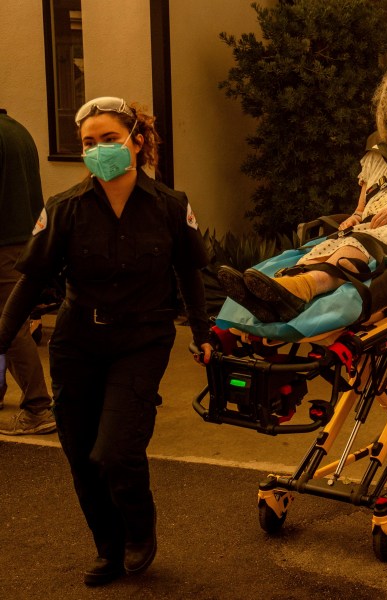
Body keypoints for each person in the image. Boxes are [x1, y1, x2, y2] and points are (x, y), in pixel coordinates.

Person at [0, 97, 213, 585]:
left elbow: (189, 273)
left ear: (137, 142)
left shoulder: (170, 206)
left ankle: (140, 529)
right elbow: (29, 282)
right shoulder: (64, 208)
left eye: (110, 139)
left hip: (142, 340)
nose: (99, 150)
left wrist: (202, 334)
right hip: (76, 342)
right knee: (80, 455)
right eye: (89, 143)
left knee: (114, 451)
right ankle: (107, 548)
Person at [218, 64, 387, 323]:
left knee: (358, 243)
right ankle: (281, 289)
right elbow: (362, 207)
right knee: (331, 244)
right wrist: (355, 216)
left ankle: (300, 289)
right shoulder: (379, 153)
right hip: (373, 226)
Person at [0, 108, 55, 435]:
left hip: (2, 243)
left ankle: (37, 406)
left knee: (12, 324)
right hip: (24, 239)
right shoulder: (18, 129)